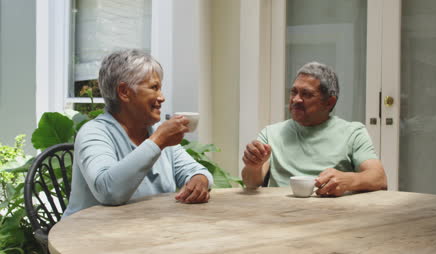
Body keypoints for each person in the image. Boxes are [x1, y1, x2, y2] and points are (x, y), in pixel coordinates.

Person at [63, 49, 213, 216]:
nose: (161, 97)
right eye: (154, 88)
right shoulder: (94, 132)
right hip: (87, 236)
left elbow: (195, 170)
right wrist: (157, 142)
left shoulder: (156, 132)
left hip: (146, 233)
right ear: (124, 92)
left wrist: (199, 180)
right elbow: (108, 191)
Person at [241, 62, 387, 196]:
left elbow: (379, 178)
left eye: (307, 94)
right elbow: (250, 182)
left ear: (329, 102)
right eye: (294, 92)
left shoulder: (353, 133)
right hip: (280, 214)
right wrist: (254, 166)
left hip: (335, 216)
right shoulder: (271, 134)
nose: (296, 99)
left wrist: (348, 180)